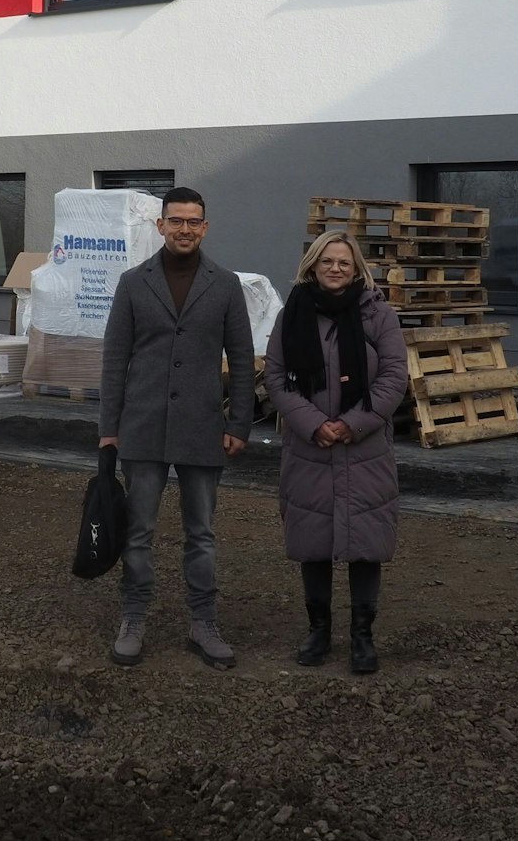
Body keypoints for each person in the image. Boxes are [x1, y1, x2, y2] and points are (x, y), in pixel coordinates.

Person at [99, 186, 256, 669]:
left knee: (201, 533)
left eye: (194, 222)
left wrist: (240, 422)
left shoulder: (226, 284)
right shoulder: (132, 283)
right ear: (160, 225)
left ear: (204, 228)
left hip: (202, 427)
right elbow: (115, 359)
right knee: (139, 530)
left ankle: (204, 622)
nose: (184, 229)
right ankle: (133, 618)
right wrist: (109, 427)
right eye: (176, 221)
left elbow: (245, 359)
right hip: (142, 427)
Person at [263, 229, 407, 674]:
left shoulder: (378, 315)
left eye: (344, 262)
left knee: (365, 543)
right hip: (310, 450)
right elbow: (275, 376)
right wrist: (312, 424)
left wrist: (353, 424)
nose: (336, 269)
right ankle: (319, 632)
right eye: (327, 261)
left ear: (356, 266)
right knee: (314, 542)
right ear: (312, 265)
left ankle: (362, 637)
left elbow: (394, 377)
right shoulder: (292, 315)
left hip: (364, 449)